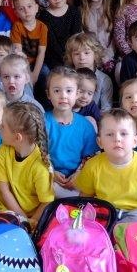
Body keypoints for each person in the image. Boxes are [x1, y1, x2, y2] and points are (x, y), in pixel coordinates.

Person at [74, 108, 137, 223]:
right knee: (91, 216)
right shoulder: (92, 165)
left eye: (124, 134)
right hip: (105, 212)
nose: (117, 139)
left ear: (135, 141)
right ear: (100, 142)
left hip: (136, 213)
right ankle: (111, 231)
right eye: (110, 134)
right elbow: (84, 198)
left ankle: (118, 231)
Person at [0, 101, 55, 223]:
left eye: (3, 126)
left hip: (32, 216)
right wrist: (23, 219)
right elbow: (3, 190)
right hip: (3, 209)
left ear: (18, 137)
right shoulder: (2, 151)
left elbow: (46, 201)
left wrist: (30, 222)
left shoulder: (40, 166)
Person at [44, 68, 99, 198]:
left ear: (77, 93)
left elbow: (91, 156)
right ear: (48, 94)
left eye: (69, 91)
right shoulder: (41, 121)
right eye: (57, 91)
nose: (63, 96)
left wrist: (78, 174)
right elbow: (37, 153)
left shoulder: (85, 126)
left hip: (78, 178)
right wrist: (51, 172)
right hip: (48, 176)